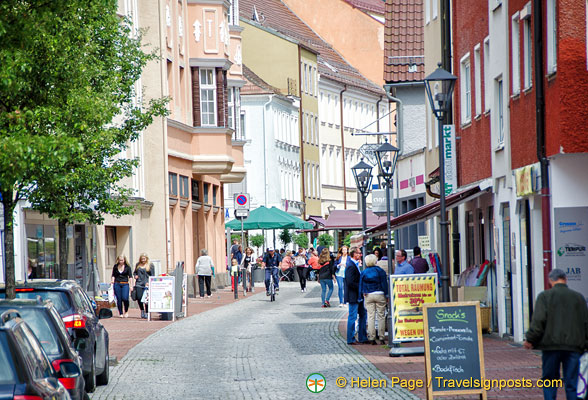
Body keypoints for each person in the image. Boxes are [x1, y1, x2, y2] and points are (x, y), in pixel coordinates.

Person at [524, 269, 588, 400]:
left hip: (550, 347)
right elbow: (585, 323)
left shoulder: (544, 297)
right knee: (572, 382)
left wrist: (530, 339)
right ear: (565, 279)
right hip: (573, 347)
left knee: (549, 381)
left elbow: (539, 321)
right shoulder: (579, 298)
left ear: (550, 280)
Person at [360, 254, 389, 345]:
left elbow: (361, 285)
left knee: (370, 316)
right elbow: (384, 284)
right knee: (381, 316)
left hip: (368, 295)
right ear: (375, 261)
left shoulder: (364, 272)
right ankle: (381, 337)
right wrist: (386, 295)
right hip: (380, 294)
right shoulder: (380, 271)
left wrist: (362, 293)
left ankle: (371, 337)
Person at [345, 247, 367, 345]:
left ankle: (362, 337)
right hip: (354, 295)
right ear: (354, 254)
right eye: (359, 253)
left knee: (363, 314)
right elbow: (350, 282)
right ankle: (350, 338)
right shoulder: (351, 265)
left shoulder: (354, 264)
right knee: (353, 316)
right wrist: (361, 287)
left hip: (358, 295)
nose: (360, 254)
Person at [133, 253, 154, 319]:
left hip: (146, 284)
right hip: (139, 283)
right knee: (139, 298)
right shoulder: (138, 264)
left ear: (146, 258)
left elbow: (152, 275)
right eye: (142, 259)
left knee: (146, 298)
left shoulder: (150, 265)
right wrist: (135, 276)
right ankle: (142, 310)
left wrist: (149, 282)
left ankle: (147, 312)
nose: (143, 260)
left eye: (144, 259)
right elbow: (135, 272)